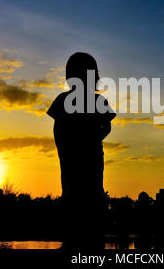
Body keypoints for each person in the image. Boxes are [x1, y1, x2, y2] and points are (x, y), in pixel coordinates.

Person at [47, 52, 116, 249]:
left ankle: (82, 243)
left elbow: (58, 128)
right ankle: (81, 243)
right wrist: (89, 141)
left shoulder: (71, 100)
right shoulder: (88, 100)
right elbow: (107, 127)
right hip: (81, 157)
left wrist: (85, 142)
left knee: (80, 194)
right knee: (82, 195)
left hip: (82, 158)